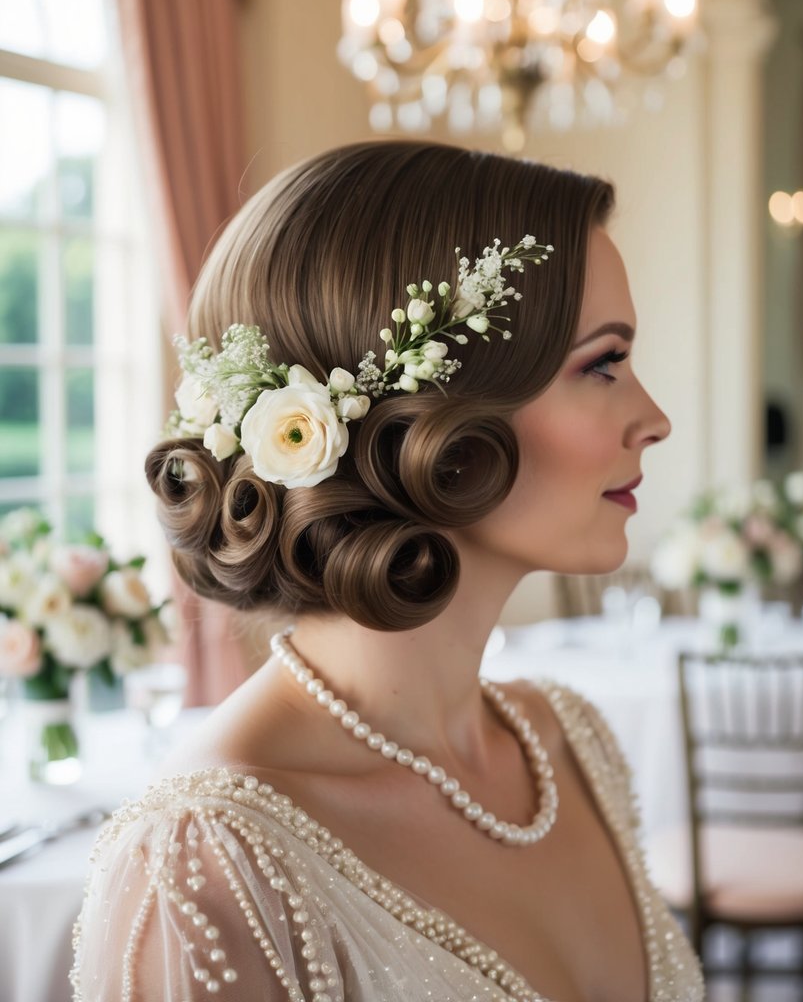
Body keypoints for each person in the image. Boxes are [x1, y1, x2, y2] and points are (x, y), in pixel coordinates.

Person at [70, 140, 705, 1001]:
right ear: (429, 414)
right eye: (600, 364)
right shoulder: (209, 863)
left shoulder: (572, 747)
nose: (653, 418)